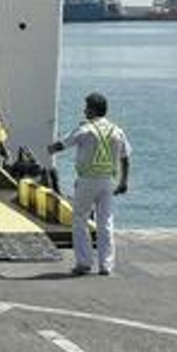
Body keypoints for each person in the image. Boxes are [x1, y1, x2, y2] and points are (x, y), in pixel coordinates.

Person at [47, 92, 132, 276]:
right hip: (108, 181)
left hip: (87, 180)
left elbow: (63, 144)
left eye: (86, 107)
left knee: (80, 220)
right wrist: (124, 181)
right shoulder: (117, 131)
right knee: (105, 222)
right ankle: (106, 265)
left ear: (93, 109)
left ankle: (84, 263)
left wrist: (50, 148)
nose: (84, 111)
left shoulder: (85, 129)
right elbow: (125, 158)